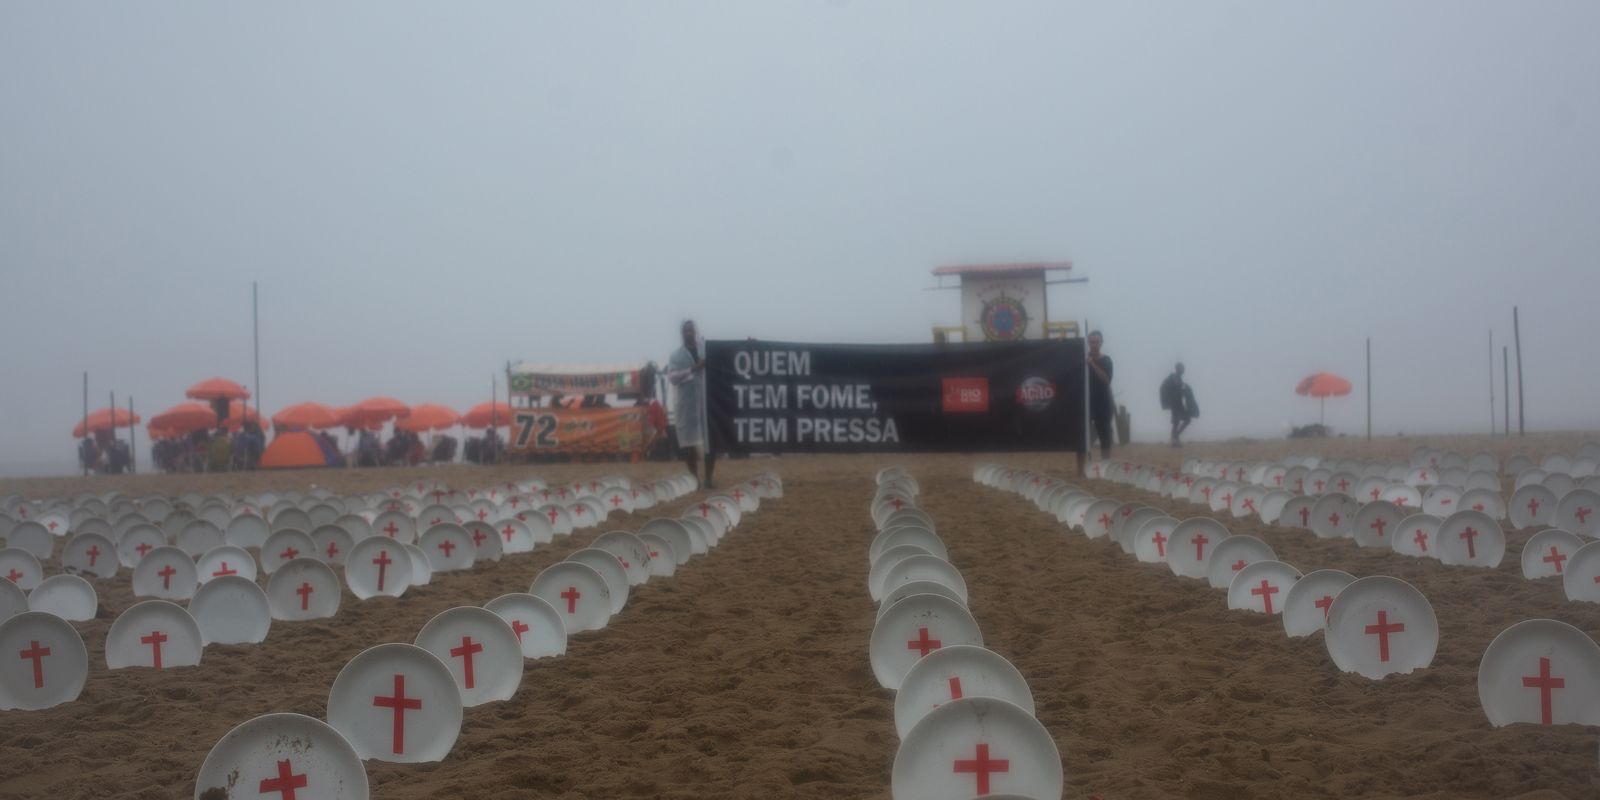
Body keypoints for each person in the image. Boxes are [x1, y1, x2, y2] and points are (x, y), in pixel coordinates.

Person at [666, 319, 715, 488]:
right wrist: (693, 369)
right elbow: (672, 377)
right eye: (685, 331)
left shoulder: (705, 348)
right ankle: (695, 480)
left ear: (695, 331)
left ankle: (709, 479)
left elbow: (726, 356)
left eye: (690, 330)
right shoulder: (676, 355)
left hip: (706, 401)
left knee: (710, 442)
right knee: (688, 445)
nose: (688, 333)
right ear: (682, 333)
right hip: (686, 405)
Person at [1077, 330, 1114, 476]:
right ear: (1088, 343)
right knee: (1081, 436)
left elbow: (1106, 379)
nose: (1094, 345)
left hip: (1103, 403)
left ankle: (1105, 469)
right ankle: (1080, 470)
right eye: (1091, 342)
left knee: (1105, 435)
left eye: (1096, 342)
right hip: (1086, 402)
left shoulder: (1106, 360)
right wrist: (1086, 361)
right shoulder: (1083, 359)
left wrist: (1092, 363)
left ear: (1101, 343)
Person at [1161, 362, 1194, 447]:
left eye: (1183, 369)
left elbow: (1180, 390)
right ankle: (1174, 440)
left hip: (1179, 403)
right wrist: (1182, 386)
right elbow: (1174, 387)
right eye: (1182, 368)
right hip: (1174, 403)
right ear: (1178, 369)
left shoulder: (1179, 378)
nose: (1183, 370)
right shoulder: (1173, 377)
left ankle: (1175, 437)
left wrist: (1185, 388)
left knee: (1187, 419)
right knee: (1176, 422)